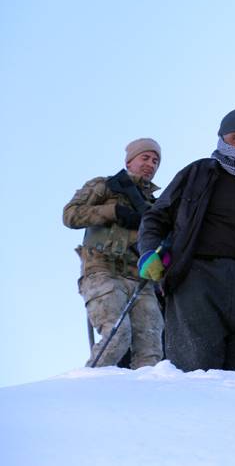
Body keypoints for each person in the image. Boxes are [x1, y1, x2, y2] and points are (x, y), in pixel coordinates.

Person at [138, 109, 235, 380]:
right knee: (196, 367)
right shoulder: (198, 172)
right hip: (197, 279)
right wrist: (149, 250)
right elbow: (157, 216)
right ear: (222, 139)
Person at [63, 138, 164, 369]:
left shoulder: (156, 207)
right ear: (130, 161)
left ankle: (147, 401)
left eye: (156, 161)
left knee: (151, 348)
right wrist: (113, 211)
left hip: (140, 280)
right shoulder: (106, 186)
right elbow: (70, 215)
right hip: (102, 270)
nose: (151, 164)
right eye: (145, 158)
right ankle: (89, 391)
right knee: (116, 337)